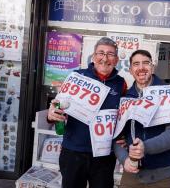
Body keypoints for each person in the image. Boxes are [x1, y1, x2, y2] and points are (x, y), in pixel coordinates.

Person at [47, 37, 127, 188]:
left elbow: (123, 115)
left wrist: (125, 136)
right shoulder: (76, 76)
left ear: (116, 60)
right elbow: (58, 107)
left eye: (110, 54)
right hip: (73, 151)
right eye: (101, 53)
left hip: (104, 155)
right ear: (94, 56)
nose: (105, 58)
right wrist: (52, 114)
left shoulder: (121, 83)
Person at [114, 49, 170, 188]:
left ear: (152, 67)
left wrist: (144, 147)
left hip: (163, 176)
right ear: (130, 70)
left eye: (146, 63)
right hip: (132, 174)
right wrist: (124, 159)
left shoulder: (169, 92)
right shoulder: (126, 98)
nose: (141, 67)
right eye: (136, 64)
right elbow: (116, 137)